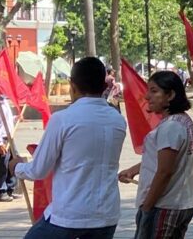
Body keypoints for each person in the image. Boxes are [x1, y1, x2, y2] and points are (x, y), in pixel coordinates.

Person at [10, 57, 126, 239]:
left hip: (70, 215)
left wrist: (16, 167)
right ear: (104, 87)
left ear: (72, 86)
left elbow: (38, 171)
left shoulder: (63, 119)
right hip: (106, 214)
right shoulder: (117, 120)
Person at [118, 71, 193, 239]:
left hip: (164, 205)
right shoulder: (183, 120)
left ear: (170, 95)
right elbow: (166, 158)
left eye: (154, 91)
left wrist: (147, 206)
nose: (147, 96)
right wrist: (135, 169)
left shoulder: (170, 127)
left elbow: (165, 171)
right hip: (180, 203)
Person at [0, 95, 16, 202]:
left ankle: (10, 188)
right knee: (1, 165)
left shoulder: (4, 101)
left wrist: (16, 118)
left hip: (9, 136)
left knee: (11, 162)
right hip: (1, 139)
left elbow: (6, 119)